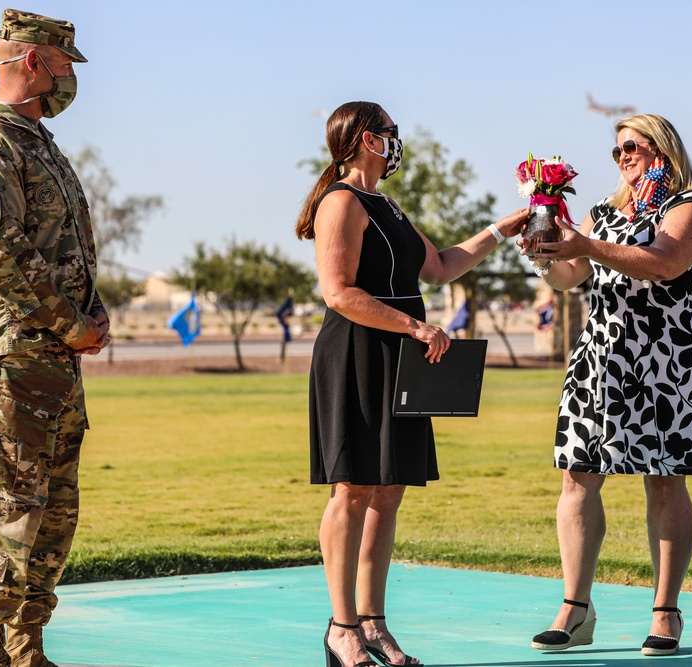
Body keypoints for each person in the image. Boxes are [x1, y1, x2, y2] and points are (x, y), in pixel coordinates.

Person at [296, 101, 529, 667]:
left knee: (389, 488)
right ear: (364, 140)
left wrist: (504, 227)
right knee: (351, 488)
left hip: (402, 356)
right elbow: (338, 292)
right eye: (390, 132)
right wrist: (416, 326)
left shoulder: (387, 204)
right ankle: (342, 627)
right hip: (357, 352)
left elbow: (441, 266)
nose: (398, 140)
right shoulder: (342, 201)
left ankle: (373, 623)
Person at [520, 114, 692, 656]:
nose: (622, 158)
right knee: (577, 479)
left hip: (666, 362)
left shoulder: (688, 208)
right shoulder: (603, 213)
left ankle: (665, 612)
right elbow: (570, 279)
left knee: (665, 481)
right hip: (601, 359)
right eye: (616, 151)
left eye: (631, 147)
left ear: (661, 147)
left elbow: (662, 263)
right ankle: (576, 607)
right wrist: (545, 253)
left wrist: (584, 248)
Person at [0, 9, 110, 666]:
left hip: (54, 360)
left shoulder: (38, 143)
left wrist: (92, 314)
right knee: (6, 507)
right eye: (66, 63)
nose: (71, 78)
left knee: (53, 513)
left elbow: (64, 251)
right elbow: (1, 255)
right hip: (10, 361)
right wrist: (71, 322)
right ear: (32, 60)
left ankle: (27, 644)